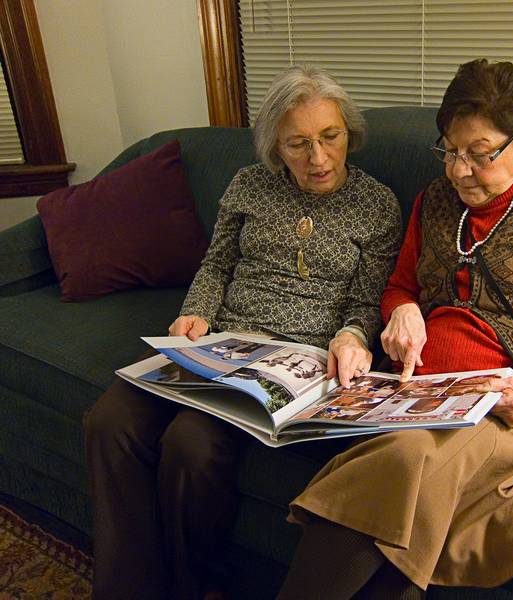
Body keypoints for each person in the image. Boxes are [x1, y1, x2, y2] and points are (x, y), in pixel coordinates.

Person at [276, 59, 513, 599]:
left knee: (407, 461)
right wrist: (403, 309)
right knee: (411, 467)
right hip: (415, 391)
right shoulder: (433, 202)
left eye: (480, 155)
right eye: (450, 151)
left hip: (507, 399)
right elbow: (399, 286)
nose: (459, 171)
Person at [84, 64, 401, 600]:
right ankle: (128, 586)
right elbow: (216, 266)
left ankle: (191, 585)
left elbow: (367, 300)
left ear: (350, 132)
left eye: (330, 137)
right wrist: (196, 314)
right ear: (275, 145)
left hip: (298, 360)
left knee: (190, 442)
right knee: (108, 420)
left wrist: (351, 335)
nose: (318, 158)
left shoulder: (377, 206)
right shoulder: (249, 186)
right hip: (220, 344)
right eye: (298, 144)